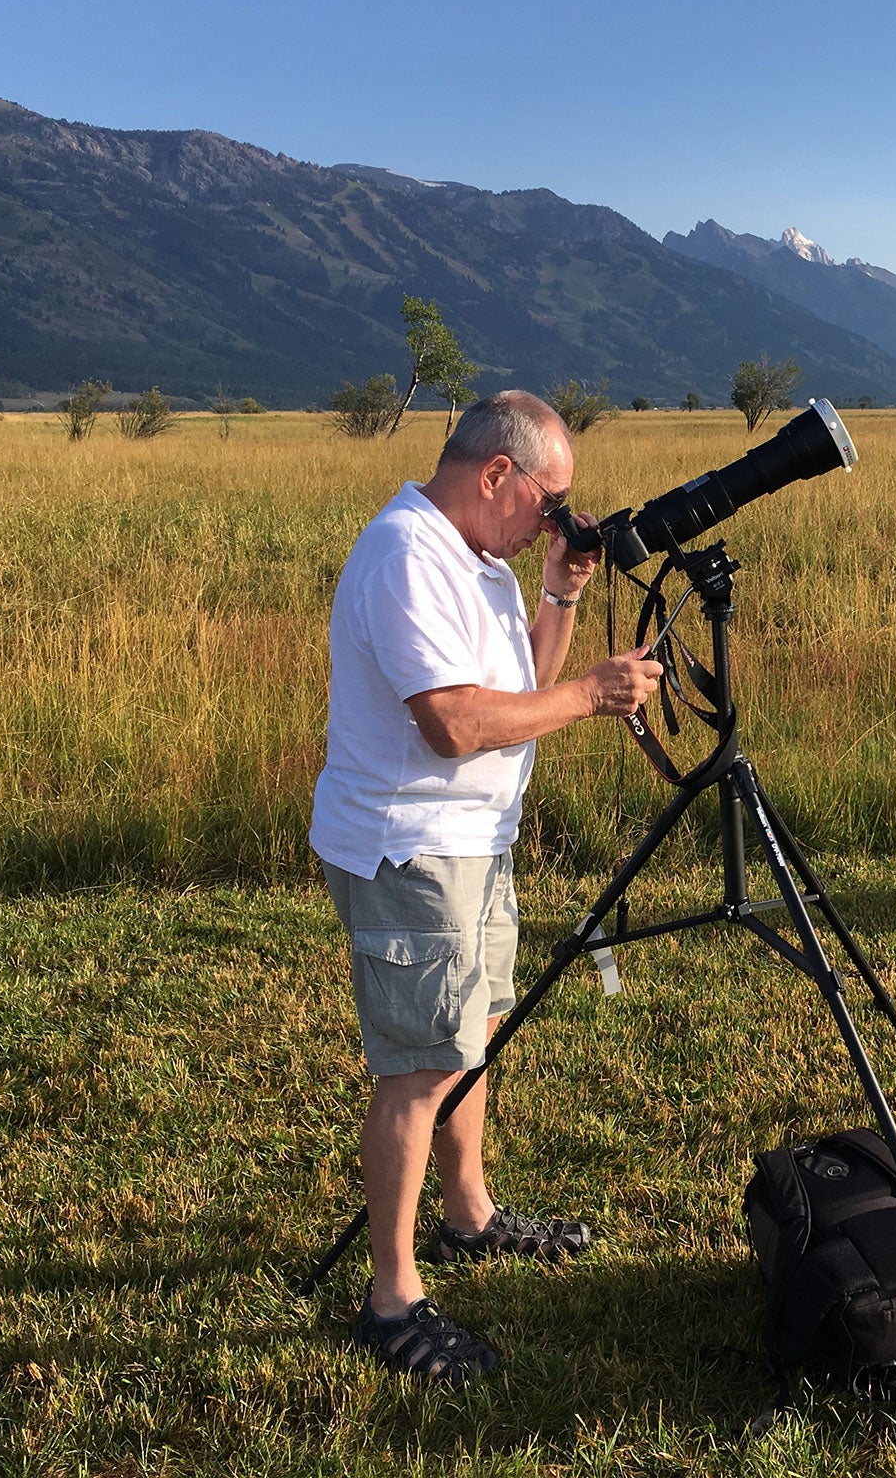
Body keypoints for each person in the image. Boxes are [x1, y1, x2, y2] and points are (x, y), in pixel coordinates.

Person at [310, 390, 665, 1382]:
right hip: (412, 849)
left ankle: (468, 1212)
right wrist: (592, 693)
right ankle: (391, 1300)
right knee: (419, 1069)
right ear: (495, 474)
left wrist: (557, 595)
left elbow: (517, 691)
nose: (557, 521)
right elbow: (457, 725)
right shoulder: (406, 556)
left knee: (470, 1036)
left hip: (474, 840)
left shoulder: (481, 561)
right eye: (549, 503)